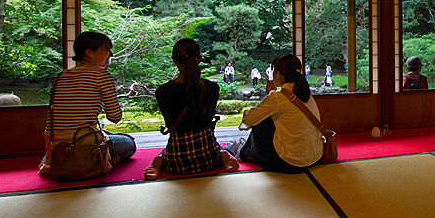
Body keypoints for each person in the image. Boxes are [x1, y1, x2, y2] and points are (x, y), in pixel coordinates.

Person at [39, 31, 136, 176]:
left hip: (57, 147)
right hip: (84, 145)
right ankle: (102, 161)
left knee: (115, 138)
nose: (111, 54)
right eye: (106, 50)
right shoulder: (102, 76)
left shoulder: (60, 77)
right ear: (89, 52)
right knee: (129, 143)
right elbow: (115, 117)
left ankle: (61, 163)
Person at [144, 39, 239, 180]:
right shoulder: (213, 88)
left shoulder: (163, 91)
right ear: (199, 59)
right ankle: (222, 153)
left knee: (168, 149)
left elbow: (171, 124)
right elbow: (208, 121)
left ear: (174, 60)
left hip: (176, 162)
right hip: (208, 159)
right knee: (215, 141)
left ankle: (159, 159)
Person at [226, 54, 327, 173]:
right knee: (269, 116)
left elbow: (248, 120)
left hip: (290, 162)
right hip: (315, 157)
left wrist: (267, 99)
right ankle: (241, 149)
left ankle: (241, 152)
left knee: (261, 122)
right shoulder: (306, 94)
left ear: (278, 74)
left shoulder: (278, 97)